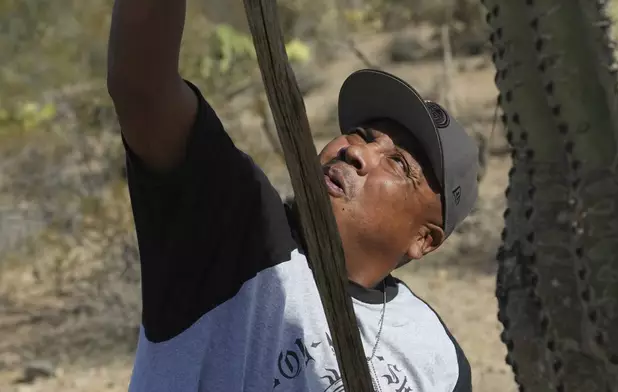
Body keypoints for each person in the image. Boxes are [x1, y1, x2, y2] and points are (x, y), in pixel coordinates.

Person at [107, 1, 479, 391]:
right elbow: (141, 88)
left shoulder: (435, 358)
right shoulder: (237, 229)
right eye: (363, 135)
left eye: (398, 164)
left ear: (424, 239)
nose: (357, 152)